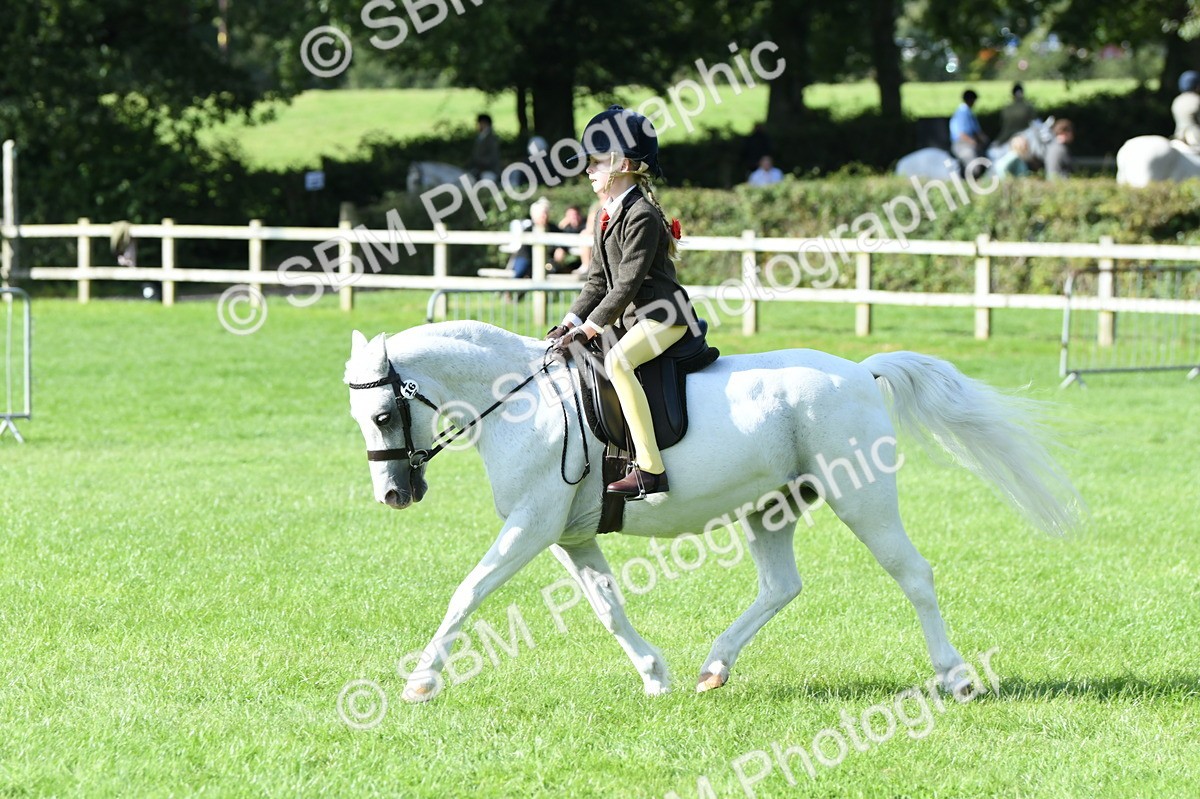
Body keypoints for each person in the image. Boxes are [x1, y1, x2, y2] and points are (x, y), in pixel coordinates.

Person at [548, 105, 700, 497]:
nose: (588, 170)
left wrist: (590, 328)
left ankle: (651, 470)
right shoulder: (604, 214)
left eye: (595, 163)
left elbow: (626, 285)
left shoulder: (642, 215)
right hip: (632, 317)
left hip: (663, 316)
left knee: (617, 361)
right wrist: (568, 322)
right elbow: (597, 281)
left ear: (622, 164)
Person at [509, 198, 562, 278]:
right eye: (542, 214)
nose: (544, 216)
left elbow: (563, 240)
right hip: (527, 258)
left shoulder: (553, 228)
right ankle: (510, 289)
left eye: (546, 214)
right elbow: (526, 250)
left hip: (548, 260)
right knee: (520, 270)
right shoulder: (529, 229)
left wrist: (560, 249)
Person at [949, 90, 987, 177]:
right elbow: (962, 134)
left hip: (967, 142)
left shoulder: (968, 112)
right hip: (961, 144)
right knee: (974, 166)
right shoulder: (962, 113)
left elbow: (977, 131)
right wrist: (974, 143)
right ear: (971, 100)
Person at [1171, 70, 1200, 150]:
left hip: (1178, 136)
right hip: (1196, 138)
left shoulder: (1177, 100)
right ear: (1197, 86)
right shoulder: (1197, 100)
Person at [467, 113, 501, 180]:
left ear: (484, 123)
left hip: (490, 171)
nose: (477, 126)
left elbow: (492, 157)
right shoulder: (480, 137)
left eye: (479, 123)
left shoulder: (491, 139)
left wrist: (478, 162)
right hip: (479, 169)